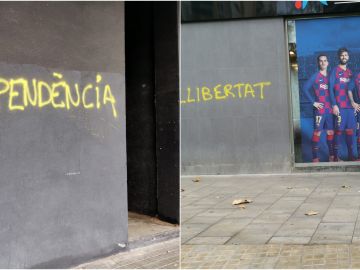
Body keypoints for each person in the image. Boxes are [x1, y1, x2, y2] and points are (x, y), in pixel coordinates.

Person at [303, 54, 334, 162]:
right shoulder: (315, 76)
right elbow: (305, 88)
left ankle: (332, 157)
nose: (323, 62)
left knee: (330, 132)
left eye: (325, 60)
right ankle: (315, 158)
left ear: (328, 62)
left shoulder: (331, 76)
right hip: (320, 110)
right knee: (318, 132)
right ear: (318, 63)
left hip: (330, 109)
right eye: (321, 61)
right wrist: (313, 102)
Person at [329, 47, 357, 161]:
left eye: (346, 55)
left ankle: (351, 156)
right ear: (338, 57)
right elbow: (330, 89)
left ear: (348, 57)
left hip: (349, 108)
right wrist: (334, 105)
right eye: (342, 55)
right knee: (339, 131)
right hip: (339, 107)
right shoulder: (334, 71)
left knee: (350, 131)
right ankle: (336, 157)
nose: (344, 57)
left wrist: (354, 104)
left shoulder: (350, 72)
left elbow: (353, 90)